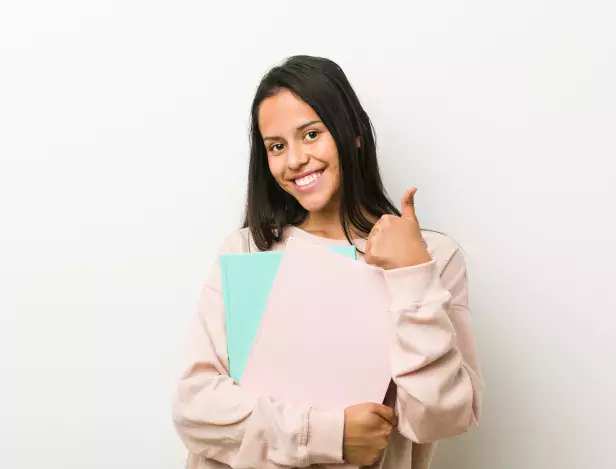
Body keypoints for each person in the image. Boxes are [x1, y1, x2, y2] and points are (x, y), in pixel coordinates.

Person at [172, 55, 483, 469]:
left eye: (311, 134)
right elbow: (194, 410)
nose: (295, 159)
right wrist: (329, 435)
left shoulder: (432, 257)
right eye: (277, 146)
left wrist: (412, 275)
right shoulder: (246, 251)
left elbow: (440, 416)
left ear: (352, 133)